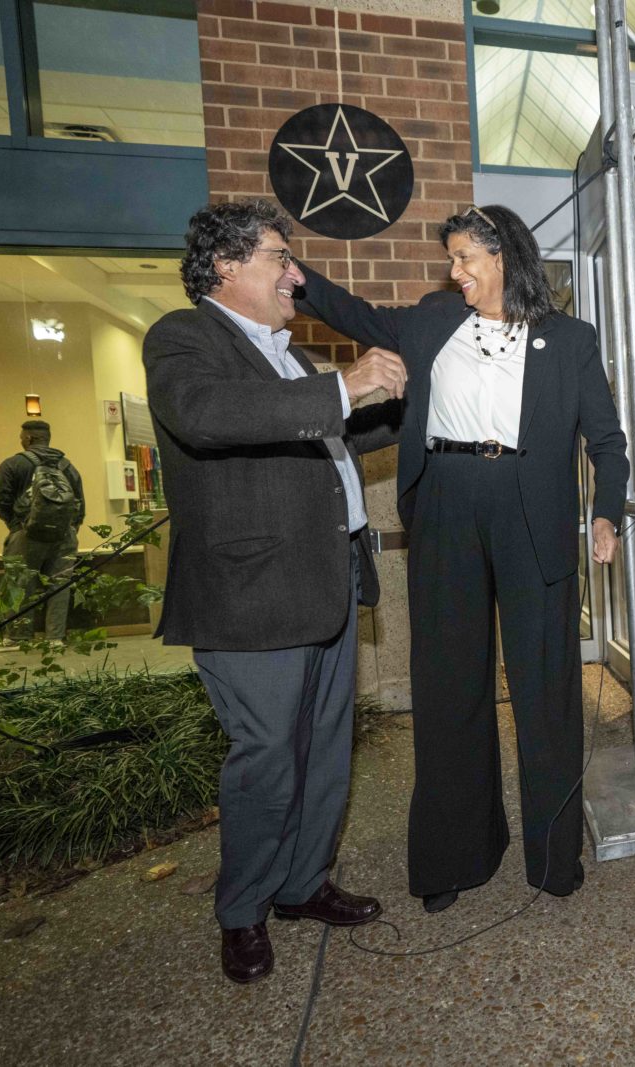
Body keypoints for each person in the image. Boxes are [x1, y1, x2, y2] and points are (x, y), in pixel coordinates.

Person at [297, 203, 630, 914]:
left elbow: (606, 438)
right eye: (451, 259)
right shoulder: (432, 320)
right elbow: (355, 313)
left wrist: (608, 510)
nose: (455, 272)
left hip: (529, 510)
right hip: (445, 501)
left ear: (503, 255)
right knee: (450, 683)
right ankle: (454, 853)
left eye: (465, 258)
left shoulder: (569, 339)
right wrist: (299, 280)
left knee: (544, 685)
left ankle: (552, 854)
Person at [143, 198, 408, 985]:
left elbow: (324, 442)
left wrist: (410, 403)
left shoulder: (286, 354)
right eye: (279, 258)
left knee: (325, 749)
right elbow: (208, 416)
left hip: (325, 583)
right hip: (250, 594)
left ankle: (302, 884)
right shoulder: (185, 338)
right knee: (266, 759)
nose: (297, 274)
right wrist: (343, 384)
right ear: (225, 265)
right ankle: (243, 910)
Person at [0, 421, 85, 643]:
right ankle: (55, 638)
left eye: (22, 436)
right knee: (60, 585)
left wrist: (15, 525)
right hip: (63, 535)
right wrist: (69, 527)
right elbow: (80, 503)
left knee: (19, 584)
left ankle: (17, 637)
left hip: (26, 534)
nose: (21, 440)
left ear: (29, 439)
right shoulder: (68, 466)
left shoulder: (13, 464)